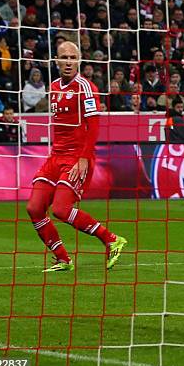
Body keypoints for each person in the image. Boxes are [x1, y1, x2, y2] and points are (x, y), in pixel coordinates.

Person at [26, 41, 127, 272]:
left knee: (61, 209)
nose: (69, 61)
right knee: (34, 207)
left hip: (77, 158)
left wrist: (84, 157)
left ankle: (111, 239)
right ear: (56, 60)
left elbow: (94, 125)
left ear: (79, 60)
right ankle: (63, 259)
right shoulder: (52, 86)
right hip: (56, 157)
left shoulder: (86, 87)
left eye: (73, 57)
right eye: (64, 57)